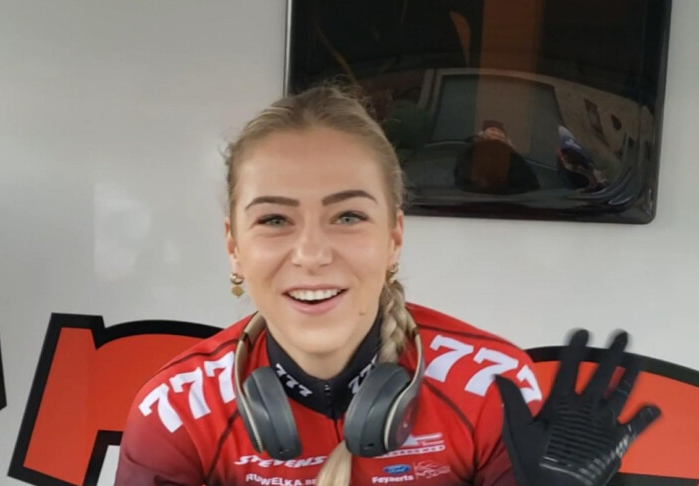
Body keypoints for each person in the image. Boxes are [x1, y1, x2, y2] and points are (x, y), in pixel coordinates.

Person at [114, 86, 657, 486]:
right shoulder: (175, 409)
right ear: (234, 246)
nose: (311, 254)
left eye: (348, 216)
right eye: (274, 220)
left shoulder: (489, 386)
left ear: (393, 237)